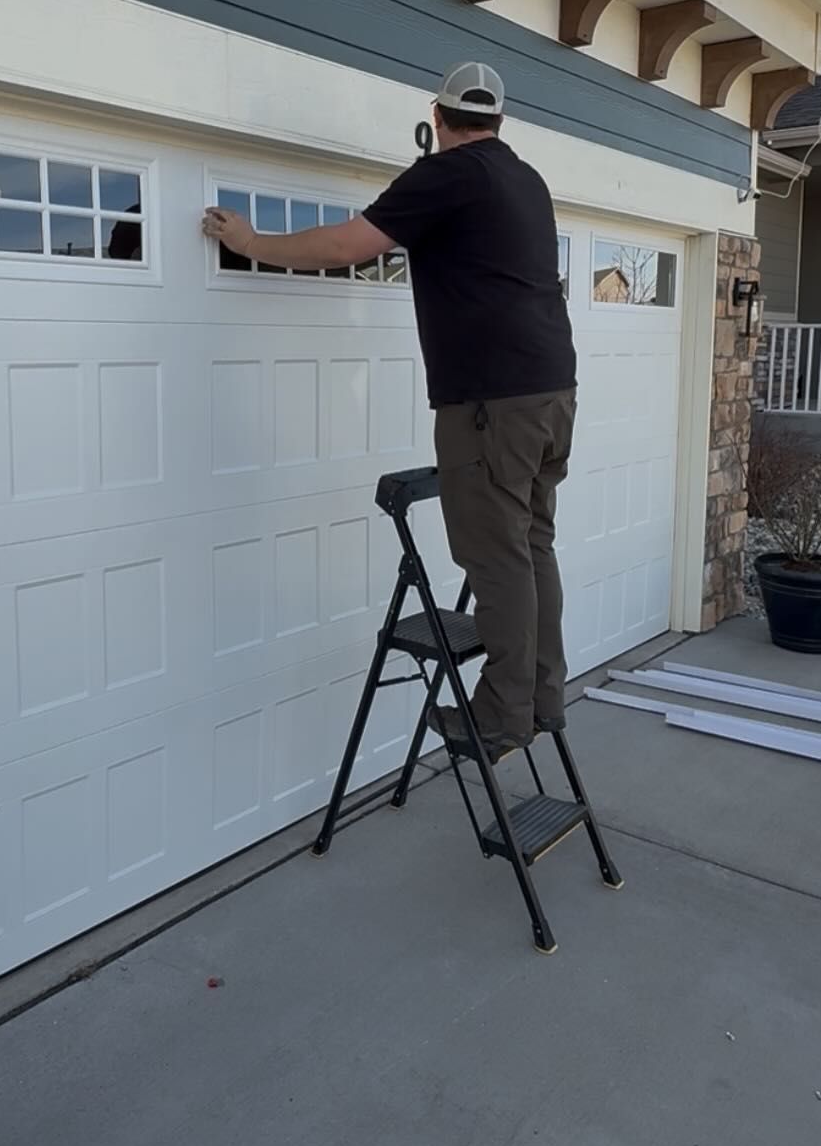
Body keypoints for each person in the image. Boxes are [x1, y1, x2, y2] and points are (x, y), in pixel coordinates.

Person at [201, 62, 576, 762]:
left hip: (490, 401)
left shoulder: (447, 175)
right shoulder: (525, 180)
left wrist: (250, 244)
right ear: (498, 120)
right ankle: (542, 696)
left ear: (438, 117)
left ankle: (500, 715)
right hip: (551, 394)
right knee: (530, 546)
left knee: (495, 557)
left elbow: (351, 244)